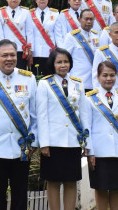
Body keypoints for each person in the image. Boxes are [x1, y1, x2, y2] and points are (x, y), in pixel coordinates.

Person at [0, 39, 38, 210]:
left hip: (21, 147)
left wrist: (34, 141)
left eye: (12, 55)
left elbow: (34, 114)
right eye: (4, 55)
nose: (9, 59)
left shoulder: (29, 78)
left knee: (20, 195)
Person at [36, 48, 89, 210]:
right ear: (53, 64)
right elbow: (41, 115)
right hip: (53, 142)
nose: (63, 65)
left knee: (71, 181)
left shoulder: (78, 84)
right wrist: (44, 143)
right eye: (59, 62)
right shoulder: (45, 84)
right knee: (53, 181)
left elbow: (84, 114)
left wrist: (85, 142)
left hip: (72, 140)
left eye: (66, 62)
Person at [86, 61, 118, 210]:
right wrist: (90, 152)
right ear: (98, 77)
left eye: (112, 75)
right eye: (105, 75)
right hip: (99, 152)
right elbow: (87, 127)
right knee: (100, 188)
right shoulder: (90, 99)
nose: (109, 78)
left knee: (116, 188)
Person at [0, 0, 33, 70]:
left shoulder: (26, 12)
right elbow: (0, 33)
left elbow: (29, 32)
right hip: (5, 49)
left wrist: (30, 49)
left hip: (20, 49)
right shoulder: (1, 12)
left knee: (20, 73)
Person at [64, 9, 99, 92]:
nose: (89, 21)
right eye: (86, 19)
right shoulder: (71, 36)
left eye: (91, 19)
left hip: (94, 81)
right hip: (78, 79)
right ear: (79, 20)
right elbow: (65, 58)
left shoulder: (96, 35)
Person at [30, 0, 59, 76]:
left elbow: (57, 34)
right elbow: (29, 34)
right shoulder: (29, 14)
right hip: (35, 53)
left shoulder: (55, 14)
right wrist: (30, 52)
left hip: (50, 52)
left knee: (50, 78)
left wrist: (58, 51)